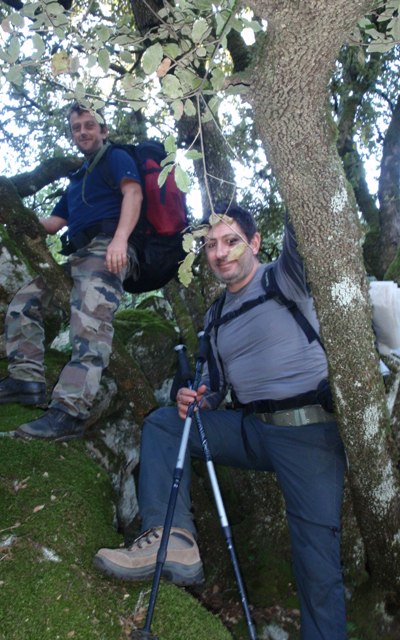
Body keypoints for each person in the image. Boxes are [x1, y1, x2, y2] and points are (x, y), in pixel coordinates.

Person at [94, 204, 347, 640]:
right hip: (252, 431)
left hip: (309, 434)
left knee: (316, 560)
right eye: (210, 245)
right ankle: (172, 539)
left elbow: (306, 224)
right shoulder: (215, 317)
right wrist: (195, 398)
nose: (220, 253)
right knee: (165, 425)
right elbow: (213, 386)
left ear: (254, 243)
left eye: (230, 241)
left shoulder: (282, 277)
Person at [0, 103, 143, 441]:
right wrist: (5, 216)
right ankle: (26, 379)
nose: (82, 132)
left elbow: (134, 193)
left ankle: (69, 413)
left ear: (103, 130)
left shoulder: (116, 157)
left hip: (107, 249)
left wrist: (120, 240)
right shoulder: (77, 179)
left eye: (89, 125)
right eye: (76, 128)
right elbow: (52, 225)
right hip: (80, 256)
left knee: (90, 328)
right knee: (24, 302)